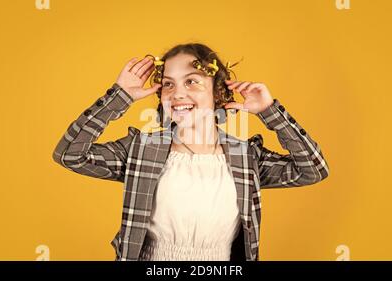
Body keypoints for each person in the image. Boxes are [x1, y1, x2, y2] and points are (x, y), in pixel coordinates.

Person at [52, 42, 330, 261]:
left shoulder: (245, 157)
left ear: (217, 92)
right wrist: (119, 96)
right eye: (169, 84)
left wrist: (271, 113)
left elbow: (313, 170)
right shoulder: (141, 151)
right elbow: (69, 154)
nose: (177, 93)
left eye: (192, 81)